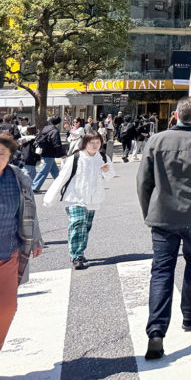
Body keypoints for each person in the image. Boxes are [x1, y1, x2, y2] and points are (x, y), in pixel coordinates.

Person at [137, 96, 191, 361]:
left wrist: (148, 213)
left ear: (175, 115)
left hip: (163, 216)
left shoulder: (156, 141)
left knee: (161, 271)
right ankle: (189, 316)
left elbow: (143, 182)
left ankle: (156, 331)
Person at [43, 132, 114, 269]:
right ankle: (75, 255)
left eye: (97, 142)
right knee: (78, 223)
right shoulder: (75, 158)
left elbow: (110, 175)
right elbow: (62, 178)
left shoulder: (103, 157)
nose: (95, 145)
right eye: (91, 142)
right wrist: (50, 198)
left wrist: (106, 171)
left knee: (85, 227)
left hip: (93, 199)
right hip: (74, 197)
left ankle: (80, 252)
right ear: (85, 143)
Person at [0, 132, 44, 351]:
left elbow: (29, 211)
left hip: (8, 253)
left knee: (8, 308)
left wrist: (36, 238)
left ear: (9, 155)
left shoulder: (17, 177)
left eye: (1, 153)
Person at [30, 116, 65, 193]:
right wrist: (62, 154)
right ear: (58, 123)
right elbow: (56, 143)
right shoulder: (55, 131)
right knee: (44, 170)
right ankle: (34, 187)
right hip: (50, 152)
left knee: (54, 170)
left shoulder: (46, 129)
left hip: (44, 150)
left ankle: (61, 184)